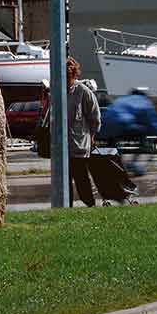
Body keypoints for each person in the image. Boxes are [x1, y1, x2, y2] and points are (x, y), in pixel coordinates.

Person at [66, 57, 102, 207]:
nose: (65, 81)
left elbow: (95, 118)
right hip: (62, 146)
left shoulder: (84, 92)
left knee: (81, 178)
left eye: (68, 77)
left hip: (79, 144)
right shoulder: (56, 91)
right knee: (64, 180)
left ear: (74, 75)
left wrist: (92, 137)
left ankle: (90, 204)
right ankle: (65, 206)